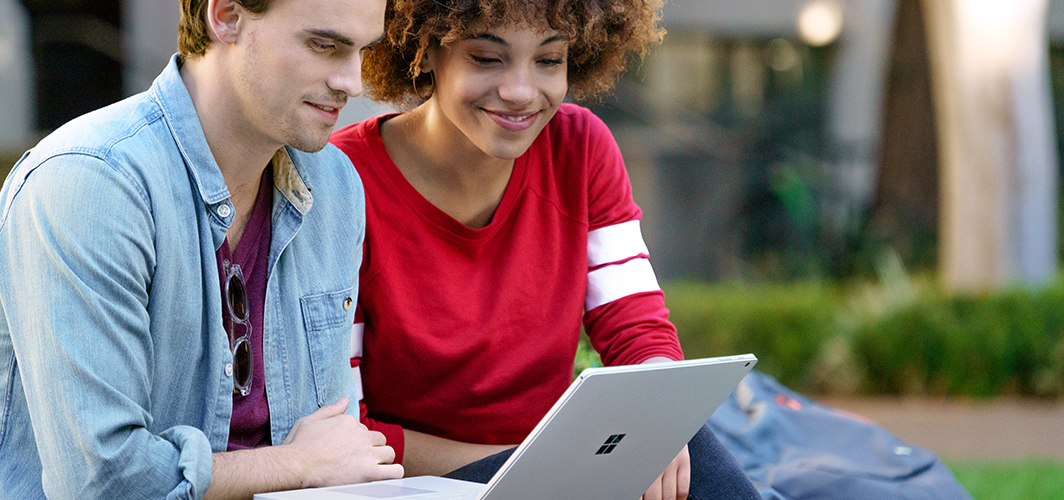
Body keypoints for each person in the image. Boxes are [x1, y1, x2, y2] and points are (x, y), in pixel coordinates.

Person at [329, 1, 760, 499]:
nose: (520, 91)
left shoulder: (579, 149)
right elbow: (350, 433)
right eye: (486, 59)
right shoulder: (343, 181)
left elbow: (637, 331)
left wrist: (659, 418)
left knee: (690, 446)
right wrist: (536, 466)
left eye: (549, 61)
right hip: (417, 482)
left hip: (562, 469)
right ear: (426, 50)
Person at [0, 0, 403, 497]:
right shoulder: (89, 182)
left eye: (362, 50)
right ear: (227, 15)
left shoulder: (334, 184)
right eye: (324, 46)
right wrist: (294, 465)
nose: (352, 82)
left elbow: (333, 444)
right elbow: (102, 480)